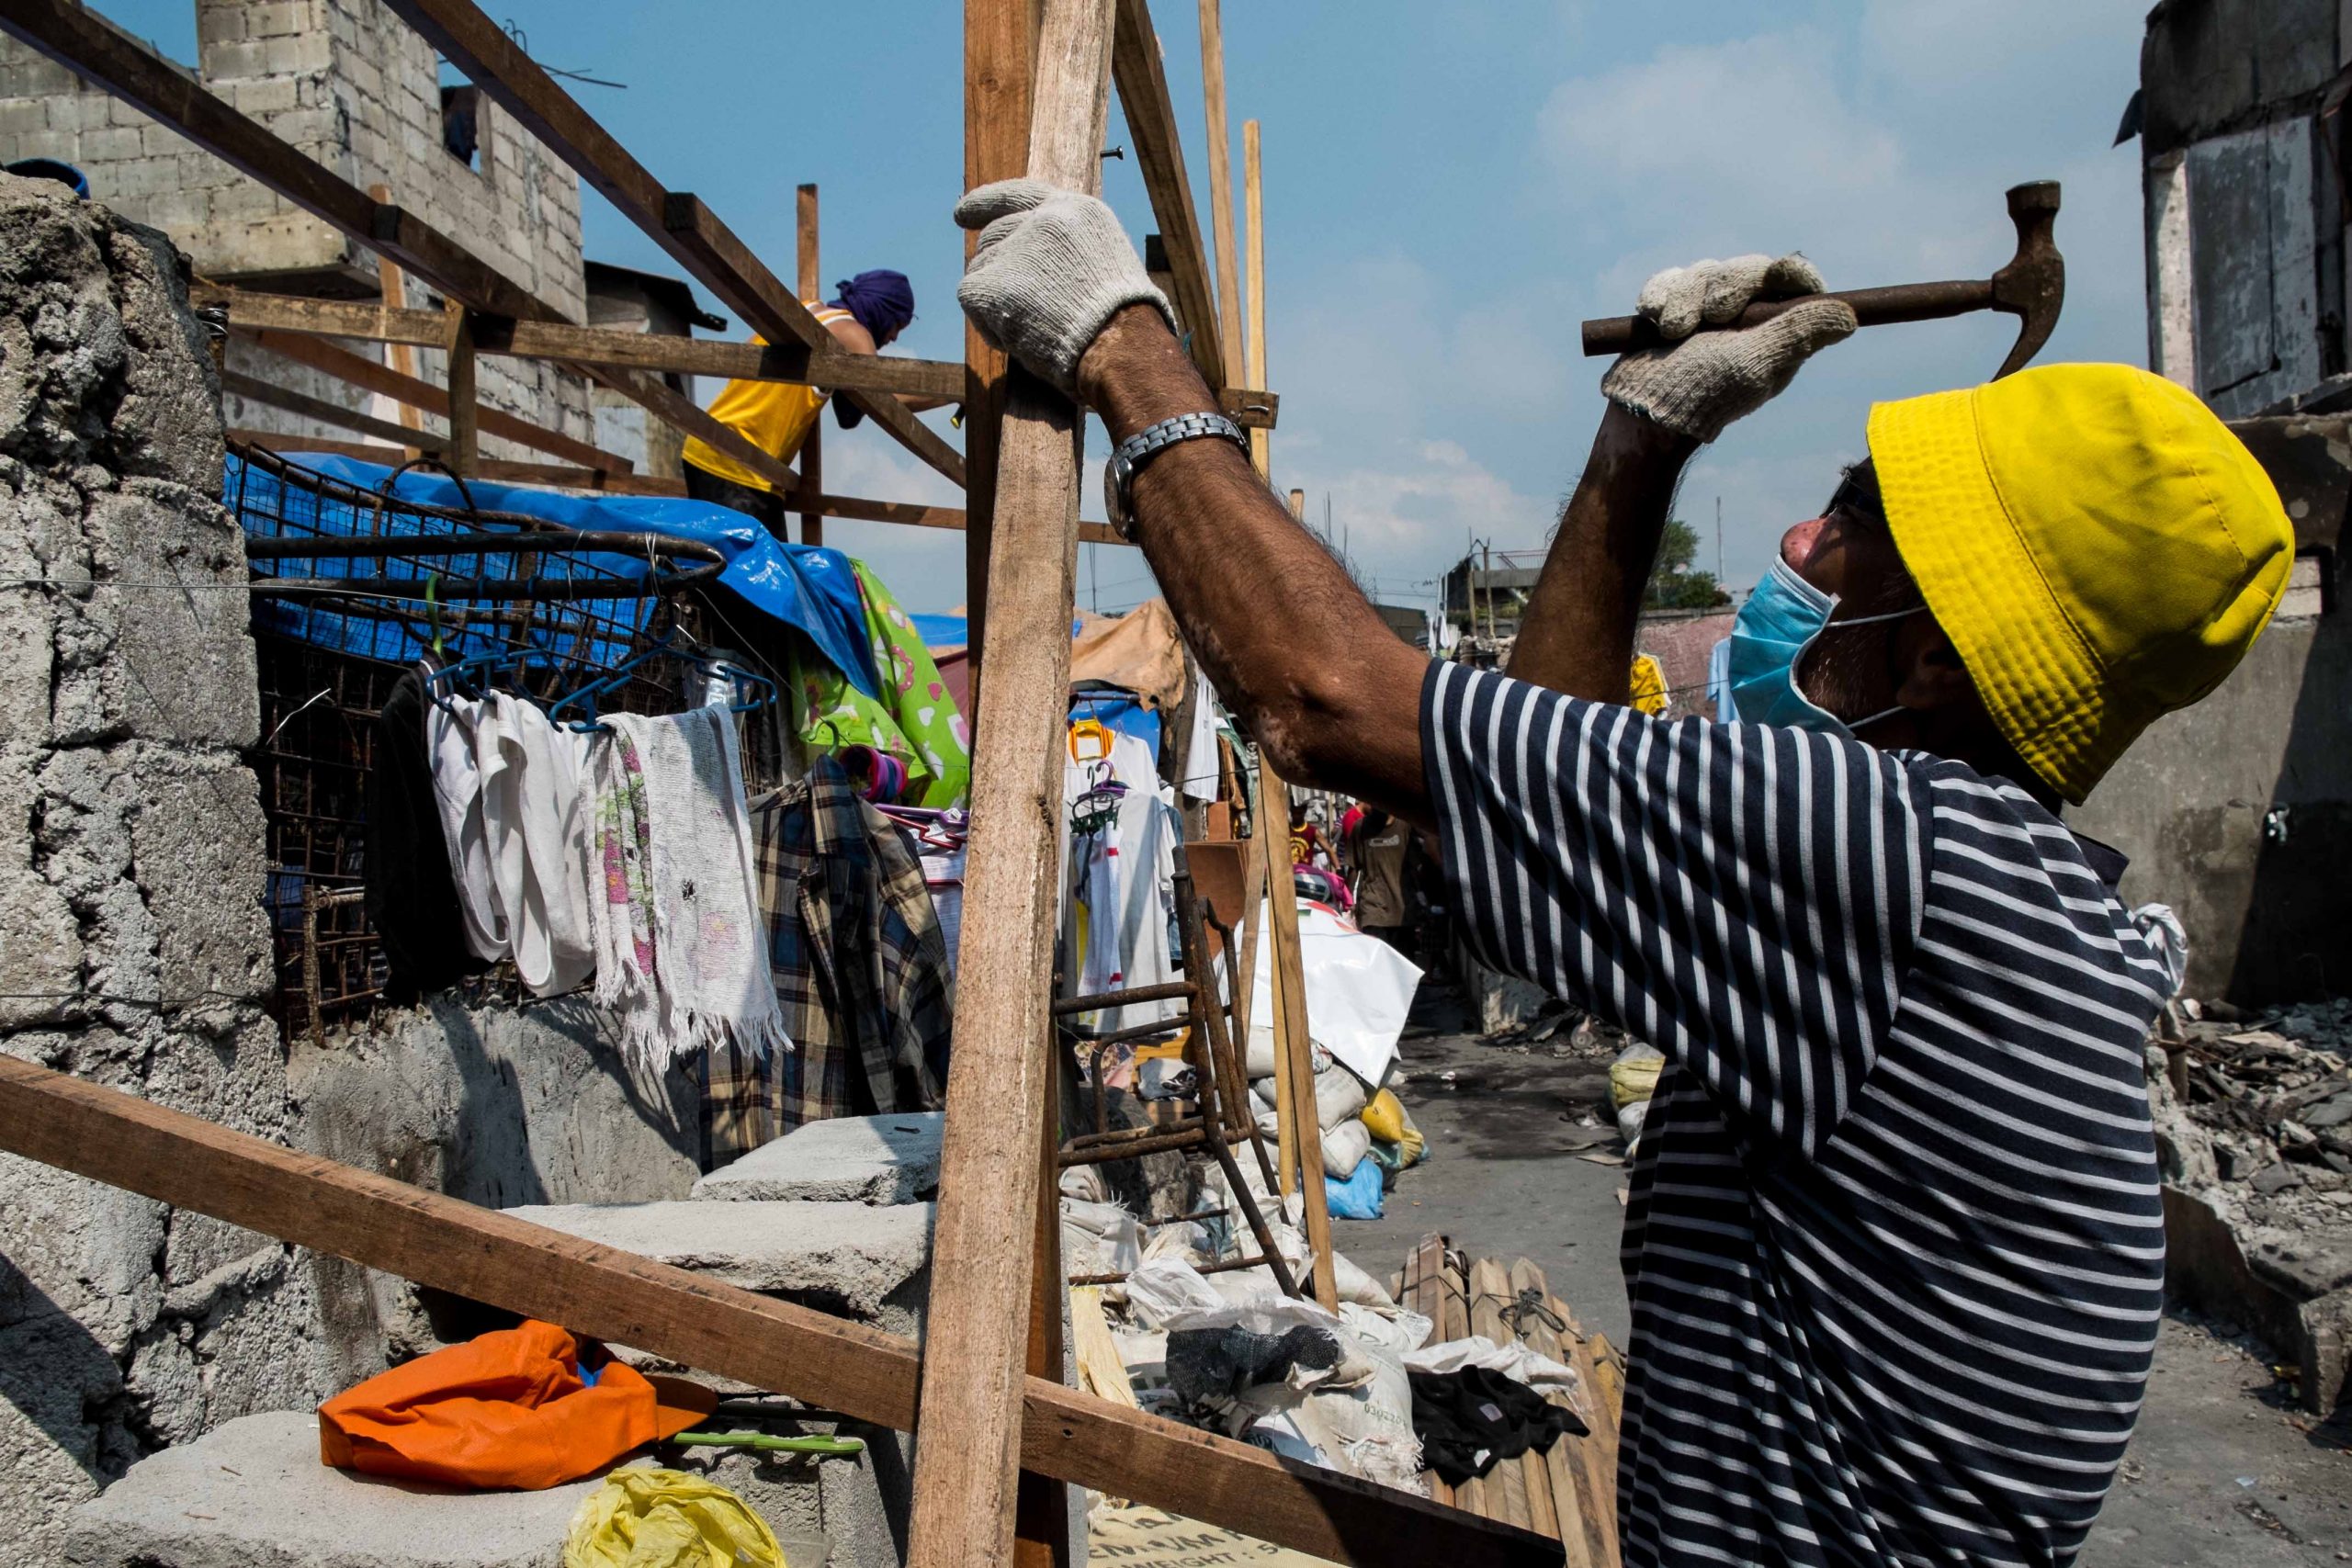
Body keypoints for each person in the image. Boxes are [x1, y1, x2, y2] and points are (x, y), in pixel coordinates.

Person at [952, 180, 2294, 1567]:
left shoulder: (1898, 861)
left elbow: (1320, 695)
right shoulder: (2022, 898)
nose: (1807, 551)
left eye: (1860, 517)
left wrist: (1122, 344)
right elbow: (1535, 805)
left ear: (1946, 655)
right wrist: (1639, 441)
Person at [680, 268, 955, 532]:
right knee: (751, 577)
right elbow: (884, 401)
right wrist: (952, 390)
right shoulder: (853, 333)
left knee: (738, 571)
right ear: (880, 308)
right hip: (737, 461)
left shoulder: (812, 312)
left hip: (718, 449)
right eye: (896, 325)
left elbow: (850, 413)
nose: (894, 336)